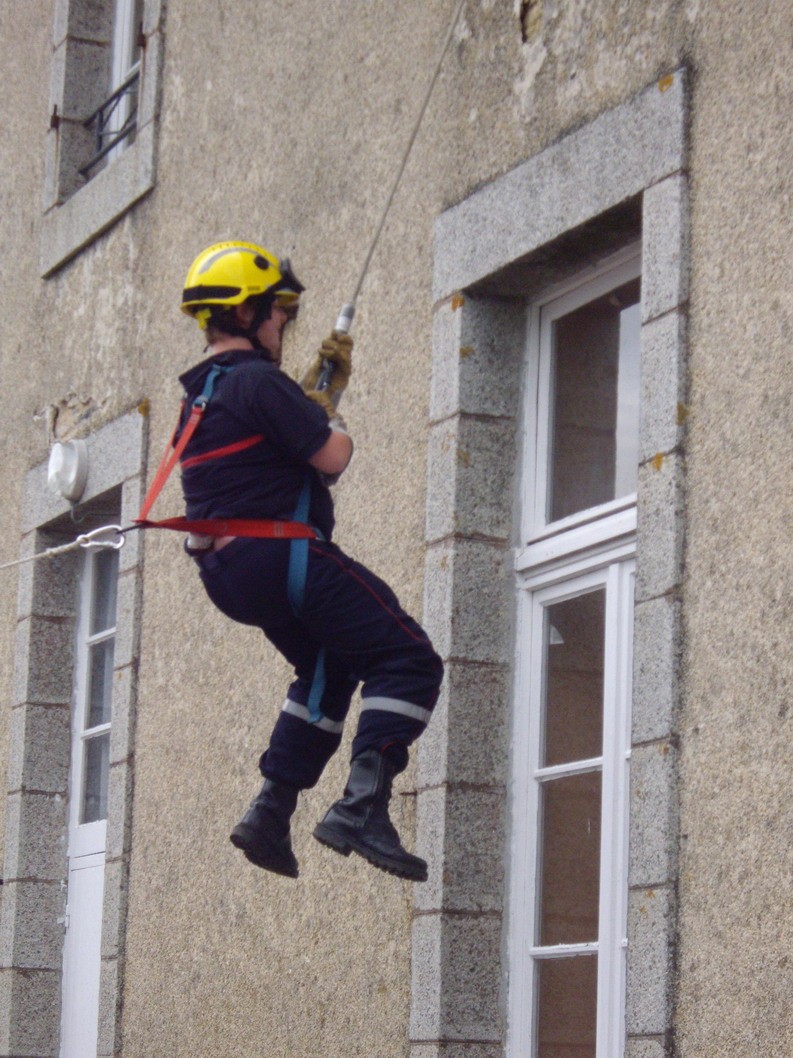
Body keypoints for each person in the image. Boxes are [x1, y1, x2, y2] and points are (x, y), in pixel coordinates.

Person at [176, 240, 443, 882]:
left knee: (328, 665)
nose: (283, 326)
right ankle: (362, 807)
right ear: (245, 314)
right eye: (277, 314)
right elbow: (333, 458)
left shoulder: (202, 396)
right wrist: (331, 410)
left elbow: (262, 460)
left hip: (232, 576)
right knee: (408, 657)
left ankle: (272, 810)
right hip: (278, 558)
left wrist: (306, 406)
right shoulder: (255, 382)